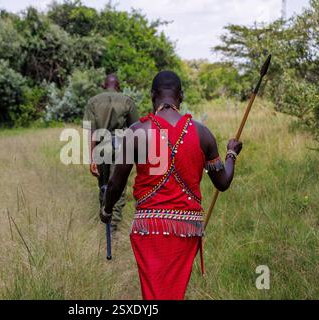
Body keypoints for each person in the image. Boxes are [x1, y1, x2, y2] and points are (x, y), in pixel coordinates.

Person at [101, 71, 243, 300]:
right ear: (181, 96)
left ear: (152, 96)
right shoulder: (202, 133)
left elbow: (116, 184)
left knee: (155, 295)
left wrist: (106, 210)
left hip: (149, 228)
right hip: (186, 229)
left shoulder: (137, 132)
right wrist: (231, 154)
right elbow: (223, 182)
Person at [83, 74, 139, 231]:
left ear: (104, 85)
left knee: (104, 185)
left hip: (100, 147)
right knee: (118, 186)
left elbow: (91, 131)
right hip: (121, 147)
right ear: (118, 86)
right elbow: (136, 129)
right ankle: (113, 226)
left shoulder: (93, 102)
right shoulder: (127, 101)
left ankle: (105, 220)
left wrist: (92, 158)